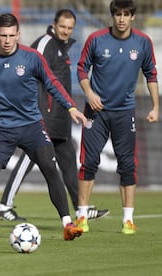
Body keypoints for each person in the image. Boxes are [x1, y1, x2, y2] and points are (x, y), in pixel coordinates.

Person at [0, 13, 86, 241]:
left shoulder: (32, 57)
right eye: (3, 36)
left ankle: (67, 224)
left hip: (31, 127)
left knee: (50, 166)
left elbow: (52, 82)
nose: (7, 40)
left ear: (18, 35)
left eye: (11, 35)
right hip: (1, 129)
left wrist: (70, 107)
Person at [0, 9, 110, 222]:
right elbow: (26, 71)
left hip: (60, 119)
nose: (66, 31)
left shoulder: (60, 47)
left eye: (70, 28)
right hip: (42, 116)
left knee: (68, 162)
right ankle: (4, 204)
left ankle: (80, 209)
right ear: (54, 24)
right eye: (63, 27)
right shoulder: (45, 44)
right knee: (30, 157)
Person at [76, 0, 159, 235]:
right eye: (117, 14)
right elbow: (82, 69)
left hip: (125, 113)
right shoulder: (96, 39)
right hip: (96, 113)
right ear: (112, 16)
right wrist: (89, 93)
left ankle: (128, 219)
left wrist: (155, 107)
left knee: (127, 165)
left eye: (126, 14)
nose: (121, 18)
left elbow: (151, 74)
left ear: (132, 16)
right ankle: (82, 216)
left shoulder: (142, 42)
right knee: (89, 162)